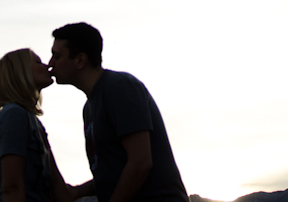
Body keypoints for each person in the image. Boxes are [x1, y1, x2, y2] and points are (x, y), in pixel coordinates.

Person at [49, 23, 189, 202]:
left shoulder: (119, 87)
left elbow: (140, 163)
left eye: (56, 56)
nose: (50, 63)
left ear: (80, 60)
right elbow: (111, 172)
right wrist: (77, 191)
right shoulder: (90, 108)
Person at [0, 48, 82, 202]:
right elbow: (11, 187)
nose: (47, 66)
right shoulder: (14, 116)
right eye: (38, 62)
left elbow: (56, 183)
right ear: (21, 72)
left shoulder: (32, 121)